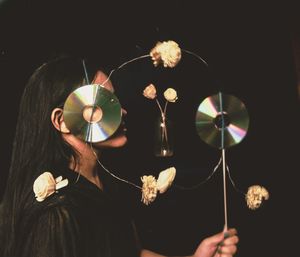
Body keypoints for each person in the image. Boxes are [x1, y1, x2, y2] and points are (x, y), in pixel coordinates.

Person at [0, 56, 239, 257]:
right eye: (104, 101)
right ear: (61, 121)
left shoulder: (107, 182)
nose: (122, 110)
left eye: (115, 99)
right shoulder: (57, 214)